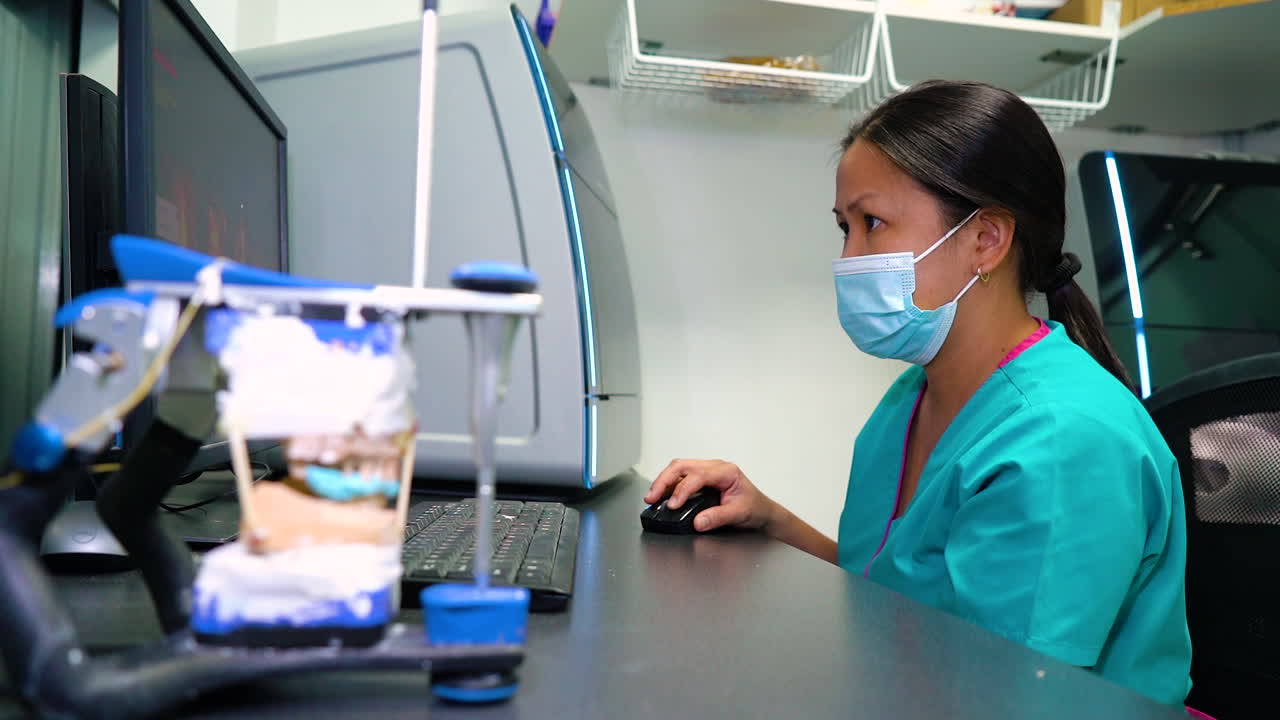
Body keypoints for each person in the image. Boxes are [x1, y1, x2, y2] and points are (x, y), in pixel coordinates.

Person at [644, 80, 1192, 707]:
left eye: (872, 223)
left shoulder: (1063, 441)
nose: (849, 256)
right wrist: (771, 519)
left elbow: (1004, 692)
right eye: (844, 228)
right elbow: (893, 602)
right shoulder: (913, 395)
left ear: (986, 239)